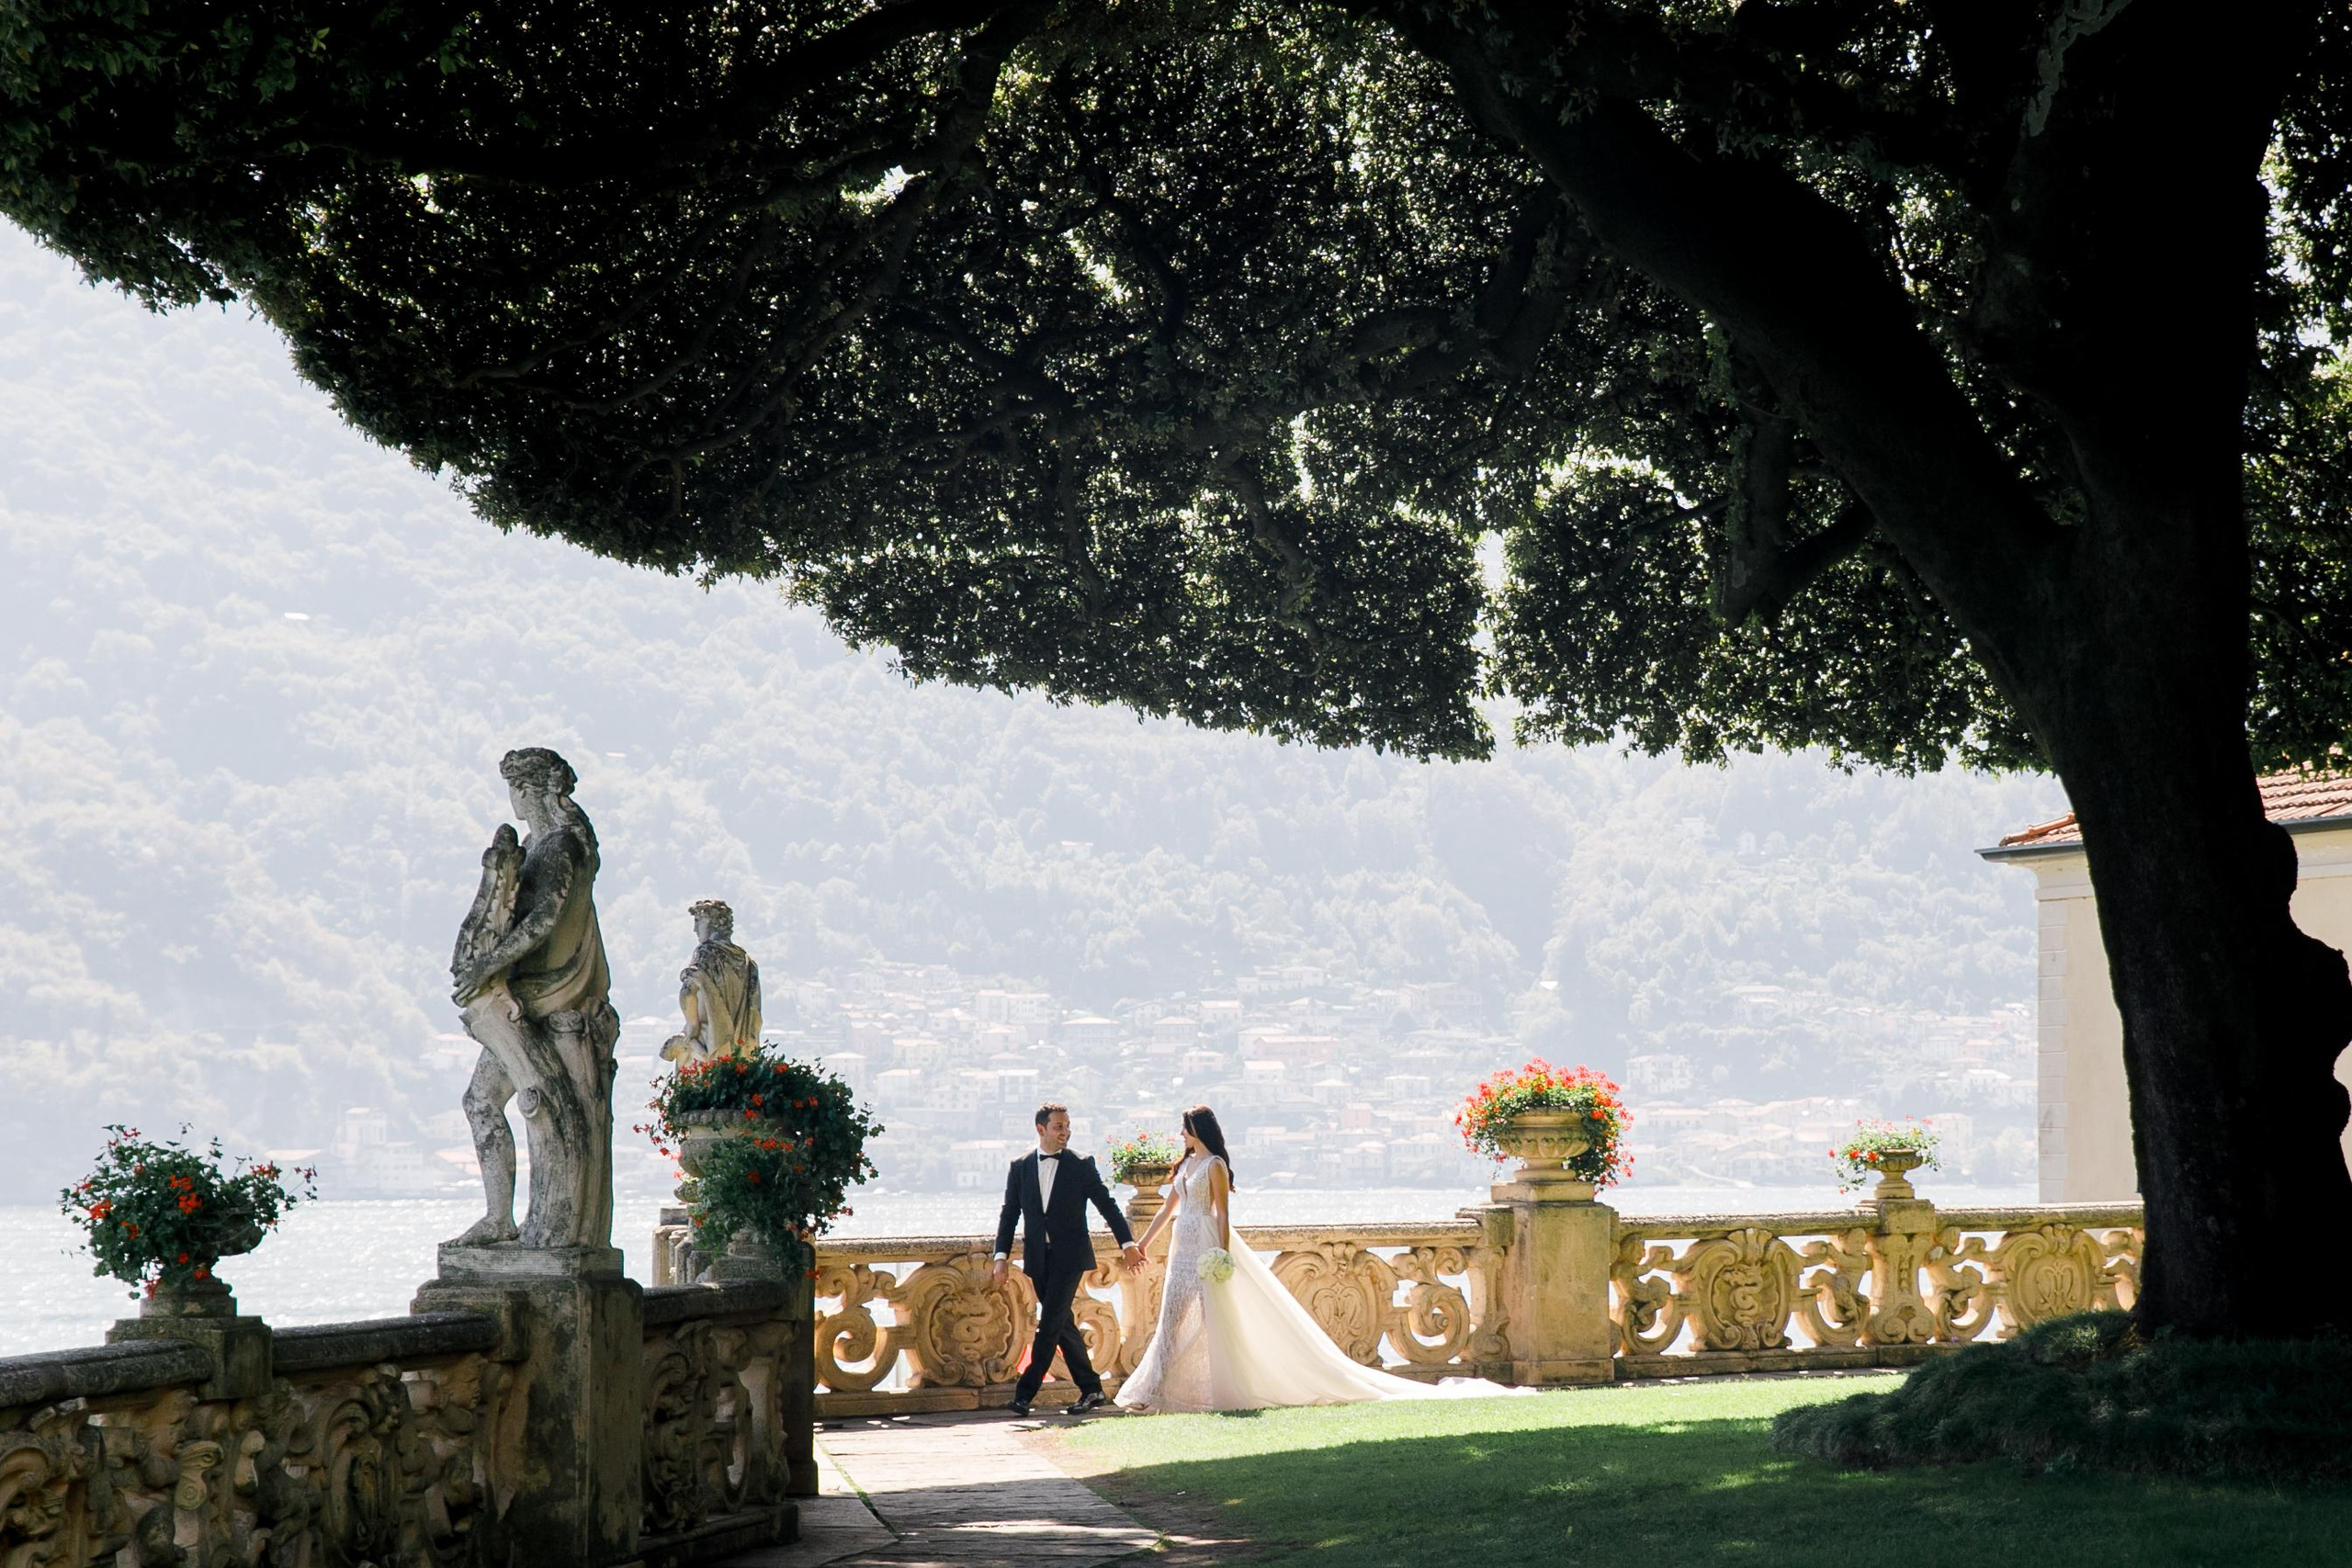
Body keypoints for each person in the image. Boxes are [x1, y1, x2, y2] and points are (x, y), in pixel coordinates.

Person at [1116, 1104, 1527, 1413]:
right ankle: (1155, 1390)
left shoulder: (1216, 1166)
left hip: (1206, 1243)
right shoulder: (1187, 1165)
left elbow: (1223, 1215)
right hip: (1181, 1248)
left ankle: (1183, 1391)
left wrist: (1222, 1255)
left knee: (1213, 1321)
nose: (1181, 1136)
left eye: (1185, 1129)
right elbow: (1167, 1208)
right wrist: (1143, 1245)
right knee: (1172, 1318)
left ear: (1196, 1130)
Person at [992, 1102, 1145, 1416]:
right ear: (1041, 1129)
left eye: (1067, 1126)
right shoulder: (1020, 1167)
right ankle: (1091, 1390)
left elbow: (1108, 1205)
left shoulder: (1081, 1164)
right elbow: (1010, 1214)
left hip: (1070, 1257)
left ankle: (1025, 1393)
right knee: (1063, 1324)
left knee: (1049, 1324)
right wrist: (1001, 1257)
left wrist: (1127, 1243)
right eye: (1059, 1126)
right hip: (1038, 1257)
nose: (1066, 1132)